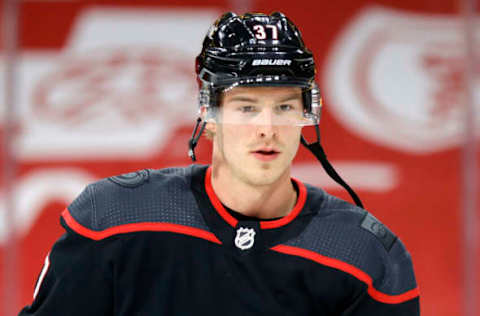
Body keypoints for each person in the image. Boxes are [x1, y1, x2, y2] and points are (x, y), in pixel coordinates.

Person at [19, 12, 420, 315]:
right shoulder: (112, 218)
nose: (268, 129)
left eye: (284, 107)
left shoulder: (365, 256)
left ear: (307, 114)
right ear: (208, 116)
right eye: (247, 108)